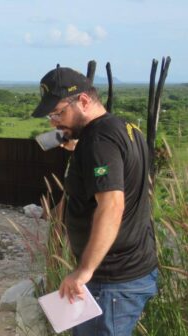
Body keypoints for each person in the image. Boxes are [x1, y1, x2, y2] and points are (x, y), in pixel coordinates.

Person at [32, 66, 158, 336]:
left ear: (84, 101)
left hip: (112, 282)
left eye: (58, 113)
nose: (53, 122)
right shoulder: (124, 128)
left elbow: (112, 205)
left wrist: (84, 271)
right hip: (125, 276)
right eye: (50, 115)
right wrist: (81, 149)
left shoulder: (99, 141)